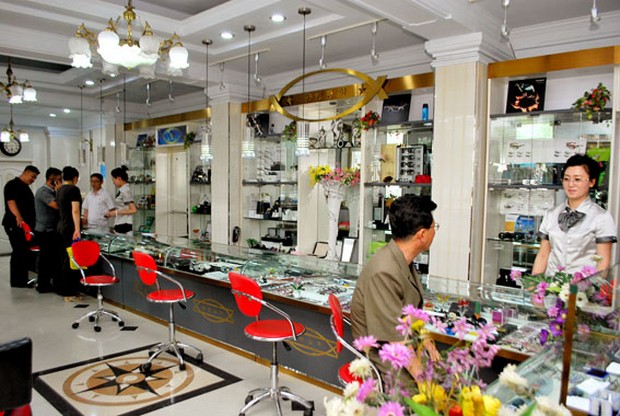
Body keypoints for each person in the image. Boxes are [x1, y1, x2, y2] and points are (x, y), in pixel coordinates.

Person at [350, 194, 438, 392]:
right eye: (435, 227)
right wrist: (423, 382)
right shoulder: (385, 271)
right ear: (422, 235)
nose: (435, 232)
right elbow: (397, 340)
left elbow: (408, 312)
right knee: (431, 395)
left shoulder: (400, 259)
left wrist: (425, 339)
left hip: (402, 345)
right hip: (383, 358)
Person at [532, 154, 617, 276]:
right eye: (566, 179)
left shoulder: (601, 217)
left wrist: (586, 286)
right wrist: (533, 284)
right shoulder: (551, 214)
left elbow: (603, 264)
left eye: (577, 179)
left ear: (592, 182)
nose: (571, 184)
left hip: (583, 285)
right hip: (551, 284)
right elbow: (543, 255)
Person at [2, 165, 40, 287]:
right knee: (19, 251)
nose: (33, 180)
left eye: (35, 178)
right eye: (32, 176)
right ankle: (18, 281)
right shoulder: (12, 185)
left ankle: (23, 278)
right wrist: (18, 217)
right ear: (26, 172)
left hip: (25, 226)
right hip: (15, 224)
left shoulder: (25, 187)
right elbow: (11, 202)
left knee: (23, 252)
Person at [34, 167, 62, 293]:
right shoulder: (43, 192)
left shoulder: (52, 192)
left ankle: (53, 282)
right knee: (46, 259)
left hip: (52, 230)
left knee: (53, 258)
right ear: (52, 179)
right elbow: (56, 205)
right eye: (59, 179)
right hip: (44, 231)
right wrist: (60, 191)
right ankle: (43, 284)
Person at [56, 166, 82, 300]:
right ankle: (70, 291)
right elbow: (75, 210)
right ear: (75, 178)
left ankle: (63, 288)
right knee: (72, 259)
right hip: (70, 228)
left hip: (61, 226)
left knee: (64, 258)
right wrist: (77, 229)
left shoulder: (60, 189)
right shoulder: (73, 189)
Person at [106, 166, 137, 235]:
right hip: (120, 222)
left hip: (124, 223)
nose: (113, 182)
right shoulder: (122, 190)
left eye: (113, 179)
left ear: (119, 178)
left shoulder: (125, 191)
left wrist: (115, 212)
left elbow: (133, 210)